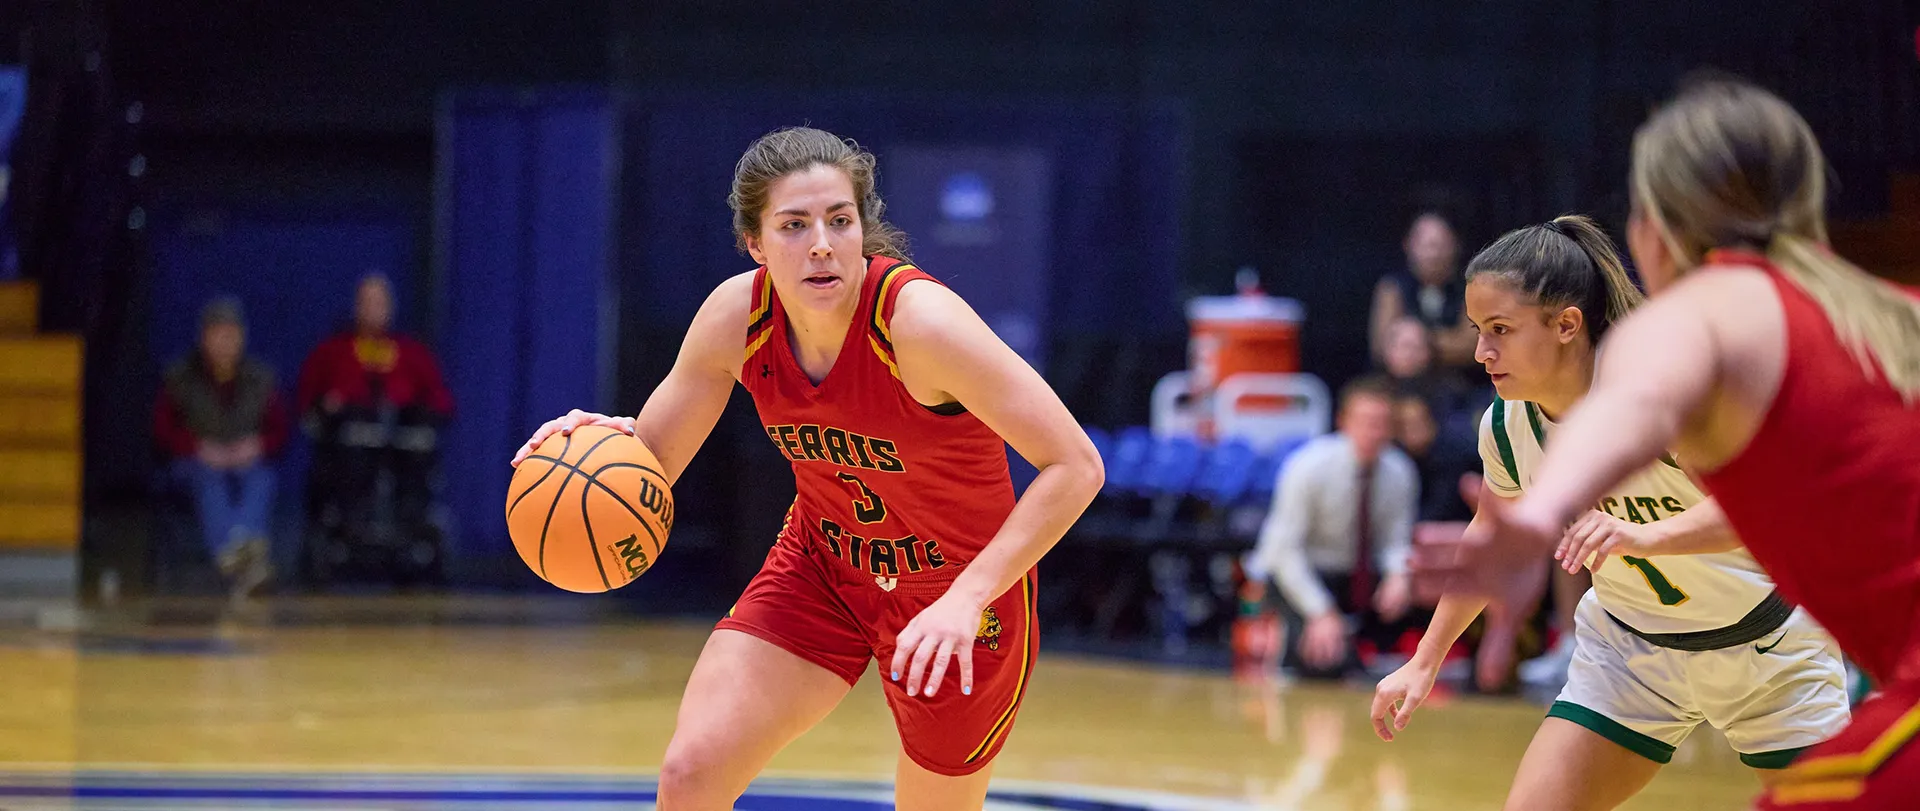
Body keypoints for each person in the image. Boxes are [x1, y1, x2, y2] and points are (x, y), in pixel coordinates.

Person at [509, 127, 1103, 811]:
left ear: (862, 231)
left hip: (956, 590)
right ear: (755, 244)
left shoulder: (921, 327)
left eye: (839, 221)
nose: (821, 243)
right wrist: (593, 449)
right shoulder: (736, 318)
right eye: (794, 225)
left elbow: (1075, 464)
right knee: (690, 776)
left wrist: (968, 598)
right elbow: (652, 461)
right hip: (824, 566)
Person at [1415, 78, 1920, 811]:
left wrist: (1541, 512)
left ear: (1654, 227)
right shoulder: (1887, 310)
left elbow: (1636, 397)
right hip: (1636, 648)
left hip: (1768, 644)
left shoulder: (1707, 310)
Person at [1375, 215, 1850, 811]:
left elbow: (1762, 513)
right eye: (1476, 329)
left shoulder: (1665, 394)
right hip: (1631, 654)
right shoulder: (1506, 425)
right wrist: (1424, 662)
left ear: (1567, 324)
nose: (1480, 351)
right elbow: (1489, 540)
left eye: (1499, 329)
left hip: (1765, 648)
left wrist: (1645, 537)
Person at [1242, 377, 1421, 678]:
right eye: (1366, 422)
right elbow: (1285, 553)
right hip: (1297, 573)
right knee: (1321, 661)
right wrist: (1320, 610)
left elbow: (1396, 539)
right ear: (1343, 422)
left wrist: (1399, 575)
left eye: (1382, 423)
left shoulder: (1400, 471)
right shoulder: (1307, 467)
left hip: (1356, 576)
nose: (1374, 432)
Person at [152, 296, 289, 602]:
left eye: (233, 333)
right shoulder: (179, 377)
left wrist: (256, 446)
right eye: (219, 333)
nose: (226, 341)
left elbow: (279, 432)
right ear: (204, 337)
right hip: (196, 462)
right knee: (208, 480)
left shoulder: (261, 378)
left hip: (245, 461)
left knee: (262, 479)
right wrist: (198, 447)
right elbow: (162, 431)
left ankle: (238, 557)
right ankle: (243, 558)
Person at [1370, 213, 1477, 375]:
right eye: (1425, 244)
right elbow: (1381, 346)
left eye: (1440, 244)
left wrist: (1417, 340)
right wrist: (1445, 341)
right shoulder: (1392, 287)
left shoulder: (1471, 288)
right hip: (1400, 383)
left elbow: (1471, 346)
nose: (1433, 254)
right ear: (1407, 245)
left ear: (1456, 246)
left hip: (1458, 385)